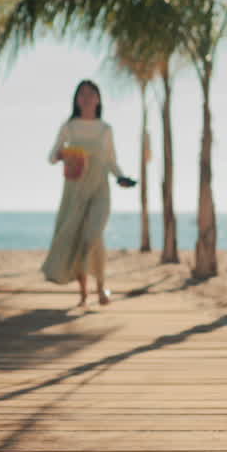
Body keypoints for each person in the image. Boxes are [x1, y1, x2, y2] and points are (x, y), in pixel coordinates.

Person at [41, 79, 136, 307]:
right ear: (76, 99)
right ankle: (85, 293)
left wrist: (121, 177)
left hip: (100, 189)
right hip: (75, 190)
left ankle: (101, 286)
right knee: (78, 238)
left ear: (99, 99)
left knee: (92, 235)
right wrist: (63, 154)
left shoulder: (105, 129)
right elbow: (52, 156)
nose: (86, 97)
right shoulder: (69, 126)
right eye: (81, 94)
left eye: (91, 93)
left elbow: (111, 161)